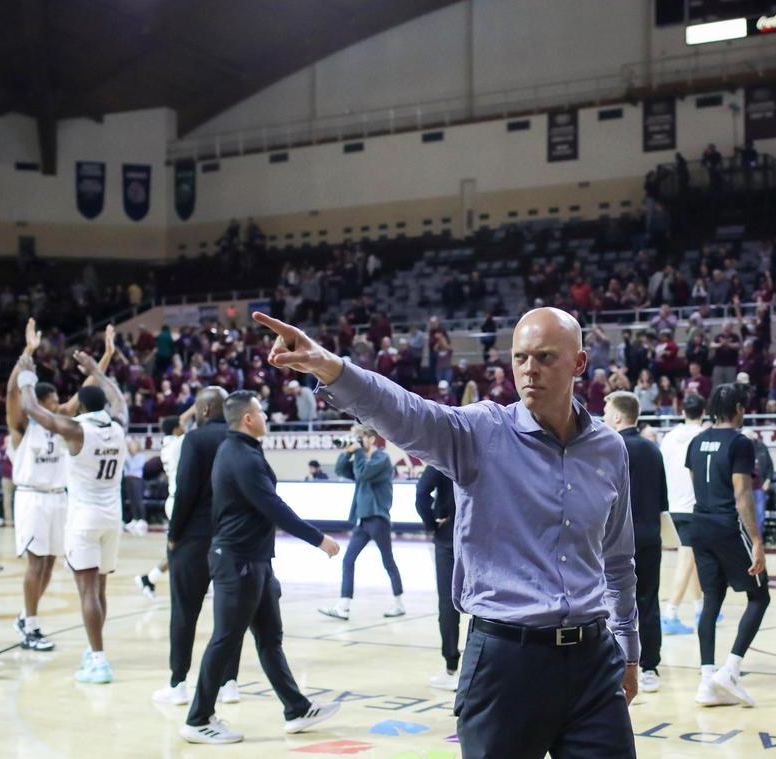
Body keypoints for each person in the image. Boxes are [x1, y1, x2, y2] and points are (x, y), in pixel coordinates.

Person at [255, 307, 640, 758]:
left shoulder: (608, 449)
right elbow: (404, 411)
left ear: (579, 363)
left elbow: (617, 559)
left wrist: (629, 648)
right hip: (506, 665)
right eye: (520, 357)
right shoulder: (482, 431)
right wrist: (328, 365)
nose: (529, 369)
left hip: (593, 661)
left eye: (545, 357)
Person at [181, 391, 341, 744]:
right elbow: (274, 507)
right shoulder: (240, 456)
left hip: (255, 560)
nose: (266, 417)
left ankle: (296, 708)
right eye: (261, 412)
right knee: (226, 638)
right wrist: (319, 539)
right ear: (248, 419)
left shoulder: (244, 450)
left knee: (270, 638)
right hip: (236, 561)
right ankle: (198, 719)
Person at [18, 350, 127, 684]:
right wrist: (97, 370)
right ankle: (95, 652)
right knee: (101, 588)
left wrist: (26, 376)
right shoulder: (119, 425)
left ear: (80, 407)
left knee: (87, 591)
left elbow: (32, 409)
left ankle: (98, 659)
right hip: (112, 518)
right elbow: (120, 399)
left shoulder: (76, 429)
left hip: (84, 518)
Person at [6, 320, 114, 651]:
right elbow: (12, 394)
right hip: (32, 498)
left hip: (58, 499)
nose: (59, 406)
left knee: (51, 563)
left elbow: (87, 391)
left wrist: (106, 356)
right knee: (36, 564)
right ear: (40, 402)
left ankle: (26, 616)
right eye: (52, 402)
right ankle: (31, 627)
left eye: (58, 402)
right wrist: (26, 355)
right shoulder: (23, 425)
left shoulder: (62, 422)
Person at [154, 387, 240, 706]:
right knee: (229, 614)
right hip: (231, 537)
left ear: (203, 411)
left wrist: (173, 534)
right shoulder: (239, 437)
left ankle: (178, 684)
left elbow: (185, 491)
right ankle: (229, 683)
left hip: (195, 536)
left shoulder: (194, 440)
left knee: (184, 612)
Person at [685, 384, 769, 707]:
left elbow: (695, 483)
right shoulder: (740, 442)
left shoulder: (696, 440)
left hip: (699, 524)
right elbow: (742, 494)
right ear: (737, 408)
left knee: (711, 600)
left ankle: (706, 681)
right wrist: (756, 540)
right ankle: (730, 671)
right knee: (759, 596)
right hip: (727, 526)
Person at [605, 391, 667, 694]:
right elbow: (663, 499)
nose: (604, 416)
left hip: (616, 540)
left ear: (618, 416)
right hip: (650, 536)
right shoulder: (653, 449)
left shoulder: (609, 446)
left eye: (607, 410)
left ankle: (614, 664)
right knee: (649, 601)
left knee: (613, 603)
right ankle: (650, 666)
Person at [319, 424, 405, 620]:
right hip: (364, 519)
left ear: (372, 439)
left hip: (378, 518)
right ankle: (343, 605)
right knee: (348, 560)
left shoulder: (382, 458)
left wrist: (357, 452)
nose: (357, 442)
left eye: (360, 438)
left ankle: (399, 603)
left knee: (387, 561)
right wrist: (347, 452)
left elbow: (363, 473)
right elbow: (341, 470)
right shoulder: (361, 460)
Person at [657, 393, 708, 636]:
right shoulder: (704, 437)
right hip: (693, 505)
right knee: (687, 558)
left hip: (671, 504)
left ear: (682, 412)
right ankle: (670, 614)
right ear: (704, 412)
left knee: (690, 557)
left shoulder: (668, 437)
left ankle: (700, 608)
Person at [415, 461, 460, 691]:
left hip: (449, 535)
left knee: (448, 603)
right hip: (484, 535)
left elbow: (421, 493)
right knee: (489, 602)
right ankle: (487, 667)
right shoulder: (489, 448)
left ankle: (451, 669)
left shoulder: (444, 455)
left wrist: (432, 524)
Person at [136, 413, 188, 601]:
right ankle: (149, 578)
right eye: (182, 424)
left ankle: (149, 579)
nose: (185, 426)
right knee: (179, 549)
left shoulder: (170, 444)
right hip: (178, 503)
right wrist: (197, 407)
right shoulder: (177, 445)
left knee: (185, 547)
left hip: (177, 501)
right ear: (176, 429)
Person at [122, 438, 148, 535]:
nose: (132, 447)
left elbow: (134, 467)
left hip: (137, 479)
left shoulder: (141, 456)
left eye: (133, 445)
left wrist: (127, 459)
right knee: (131, 500)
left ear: (137, 446)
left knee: (138, 500)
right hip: (128, 479)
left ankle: (142, 519)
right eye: (130, 445)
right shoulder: (126, 455)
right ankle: (135, 518)